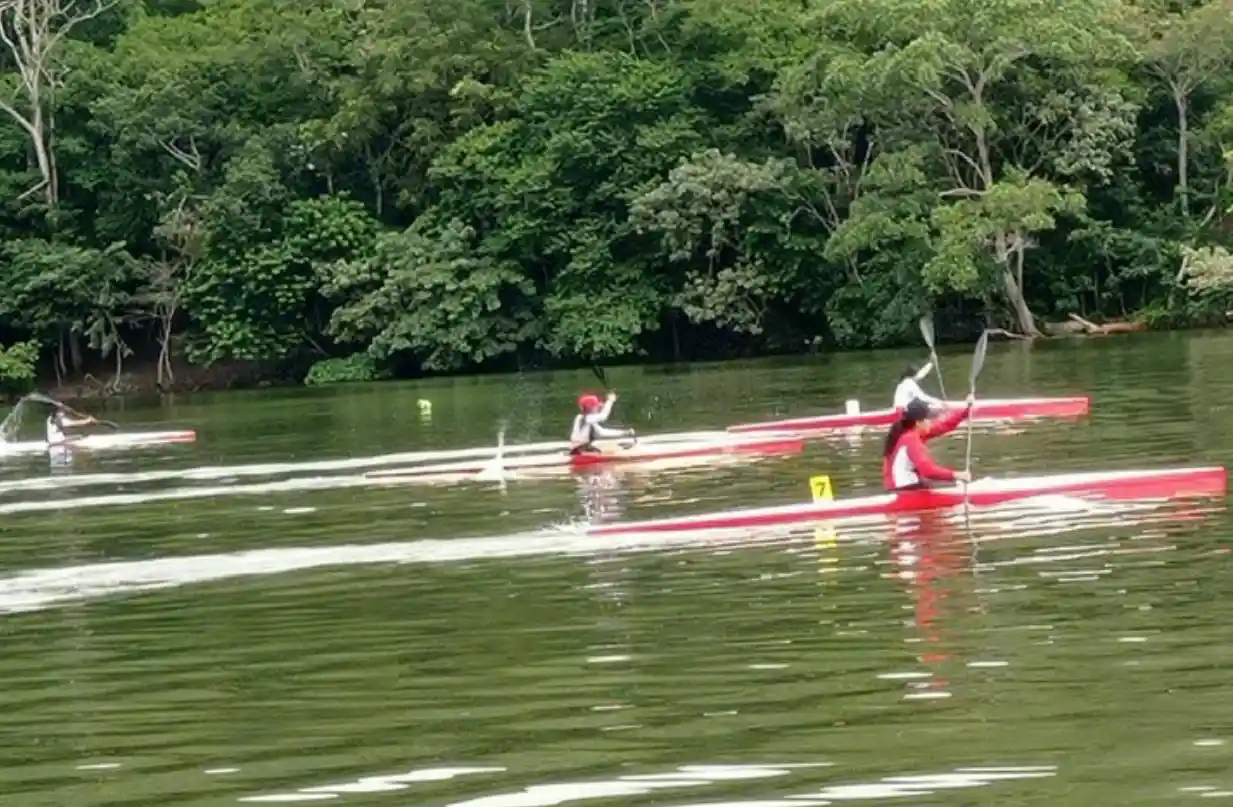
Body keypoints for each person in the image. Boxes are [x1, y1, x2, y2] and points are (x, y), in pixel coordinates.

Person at [881, 395, 974, 490]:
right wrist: (957, 475)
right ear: (918, 422)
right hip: (904, 490)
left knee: (936, 484)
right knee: (946, 483)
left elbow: (944, 425)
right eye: (927, 419)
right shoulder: (910, 439)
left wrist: (966, 411)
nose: (930, 422)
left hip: (902, 487)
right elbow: (928, 471)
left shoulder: (911, 432)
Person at [570, 392, 634, 455]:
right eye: (596, 406)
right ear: (590, 408)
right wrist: (610, 401)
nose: (598, 408)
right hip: (581, 450)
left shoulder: (582, 418)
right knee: (611, 450)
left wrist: (625, 432)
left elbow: (603, 432)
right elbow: (603, 416)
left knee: (606, 447)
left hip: (578, 449)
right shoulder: (587, 418)